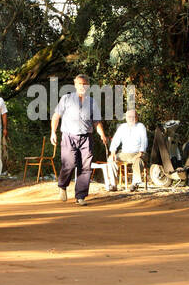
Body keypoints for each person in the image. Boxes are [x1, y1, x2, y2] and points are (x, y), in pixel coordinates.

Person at [51, 74, 108, 205]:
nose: (82, 86)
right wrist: (53, 133)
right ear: (75, 85)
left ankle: (80, 196)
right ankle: (62, 185)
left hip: (86, 137)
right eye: (80, 84)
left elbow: (97, 122)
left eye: (85, 84)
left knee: (85, 167)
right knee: (69, 163)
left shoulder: (92, 102)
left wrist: (102, 135)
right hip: (68, 136)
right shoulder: (66, 98)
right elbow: (56, 117)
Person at [106, 108, 148, 189]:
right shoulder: (122, 127)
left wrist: (141, 152)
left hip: (138, 153)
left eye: (133, 116)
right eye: (129, 117)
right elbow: (115, 140)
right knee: (111, 159)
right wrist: (113, 152)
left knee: (138, 161)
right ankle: (113, 184)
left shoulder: (140, 126)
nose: (131, 119)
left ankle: (134, 184)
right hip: (124, 153)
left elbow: (144, 140)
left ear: (137, 117)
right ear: (126, 118)